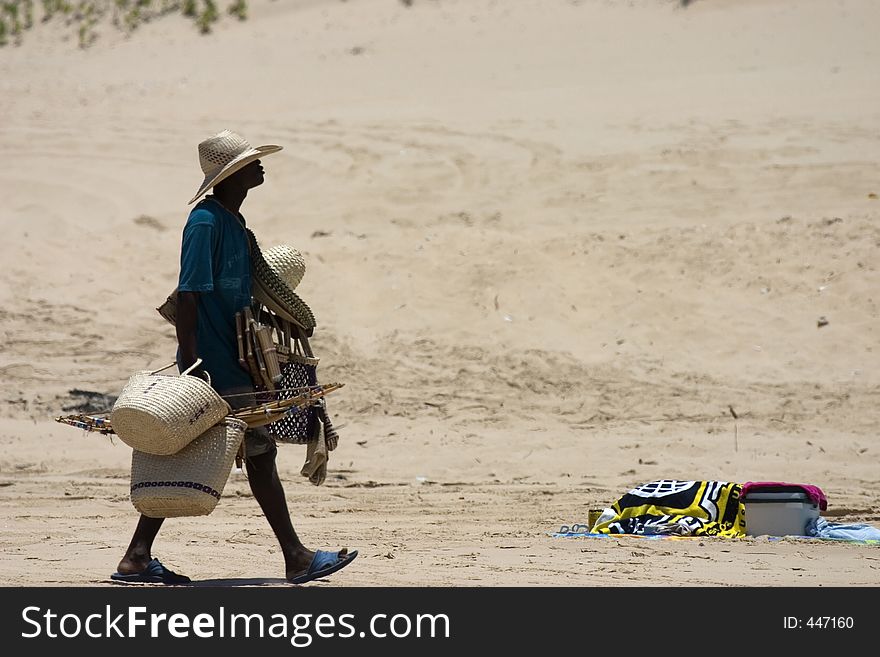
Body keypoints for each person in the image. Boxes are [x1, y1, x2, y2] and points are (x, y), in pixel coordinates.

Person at [111, 129, 357, 585]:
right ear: (232, 175)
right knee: (256, 453)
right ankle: (296, 557)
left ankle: (138, 556)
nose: (260, 166)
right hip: (213, 360)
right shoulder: (204, 221)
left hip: (234, 359)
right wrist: (191, 361)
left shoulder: (234, 224)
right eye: (251, 162)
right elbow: (189, 294)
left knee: (198, 446)